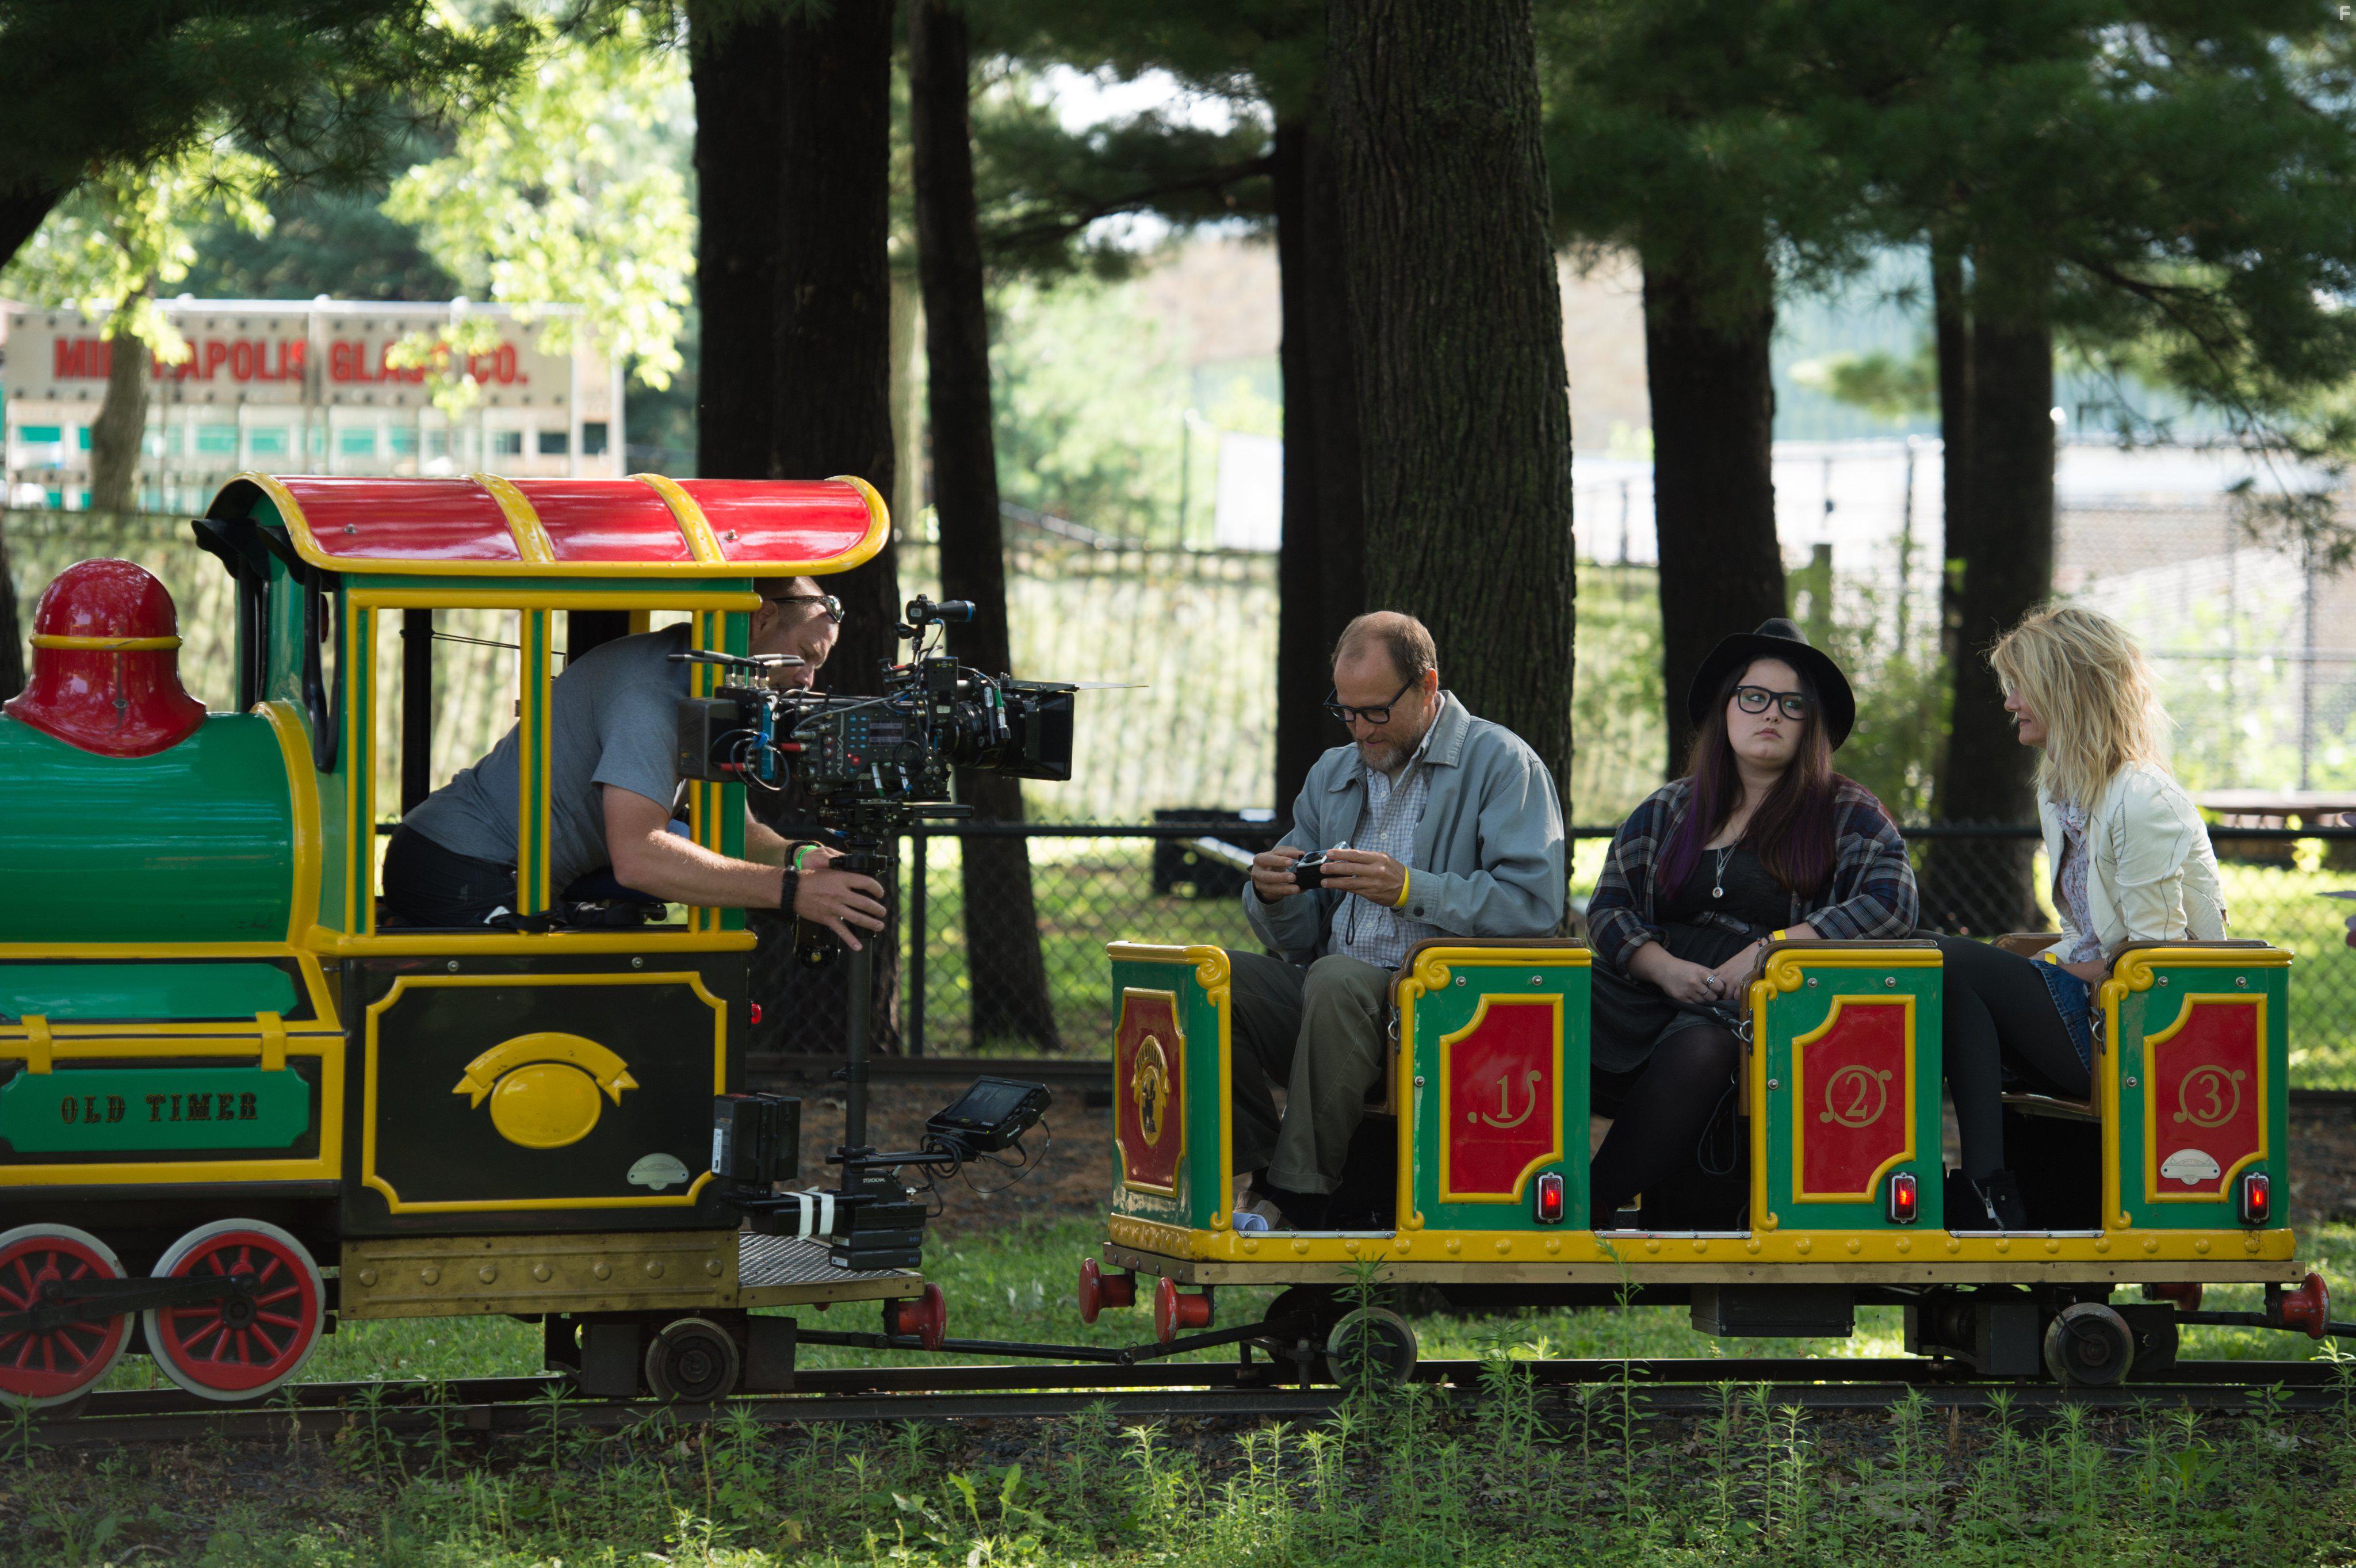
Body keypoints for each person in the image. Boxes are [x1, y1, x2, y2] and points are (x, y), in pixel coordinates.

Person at [1230, 611, 1566, 1230]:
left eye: (1376, 711)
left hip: (1446, 1012)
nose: (1360, 728)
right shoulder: (1333, 773)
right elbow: (1298, 938)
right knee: (1211, 980)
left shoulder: (1500, 763)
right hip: (1336, 996)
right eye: (1347, 711)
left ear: (1427, 685)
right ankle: (1256, 1169)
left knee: (1334, 979)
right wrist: (1273, 895)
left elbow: (1534, 909)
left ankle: (1298, 1195)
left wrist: (1412, 889)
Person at [1585, 619, 1918, 1227]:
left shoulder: (1845, 811)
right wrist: (1662, 968)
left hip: (1760, 1010)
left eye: (1792, 704)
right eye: (1755, 697)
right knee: (1541, 1005)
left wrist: (1773, 951)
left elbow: (1891, 901)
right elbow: (1608, 908)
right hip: (1647, 989)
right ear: (1727, 708)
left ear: (1810, 722)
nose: (1772, 714)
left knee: (1704, 1048)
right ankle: (1499, 1190)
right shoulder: (1668, 808)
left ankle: (1595, 1199)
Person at [383, 578, 888, 948]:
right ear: (761, 620)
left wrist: (798, 857)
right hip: (454, 865)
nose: (808, 680)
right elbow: (639, 855)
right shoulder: (654, 693)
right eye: (805, 655)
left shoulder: (705, 686)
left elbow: (725, 826)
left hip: (500, 867)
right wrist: (789, 892)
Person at [1934, 603, 2225, 1229]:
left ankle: (1986, 1187)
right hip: (2091, 1004)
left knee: (1945, 957)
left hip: (2137, 1032)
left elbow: (2157, 961)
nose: (2009, 702)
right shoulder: (2059, 786)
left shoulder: (2141, 796)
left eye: (2020, 686)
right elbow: (2083, 931)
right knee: (1944, 972)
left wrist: (2054, 971)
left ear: (2066, 688)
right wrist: (2047, 962)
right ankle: (1987, 1188)